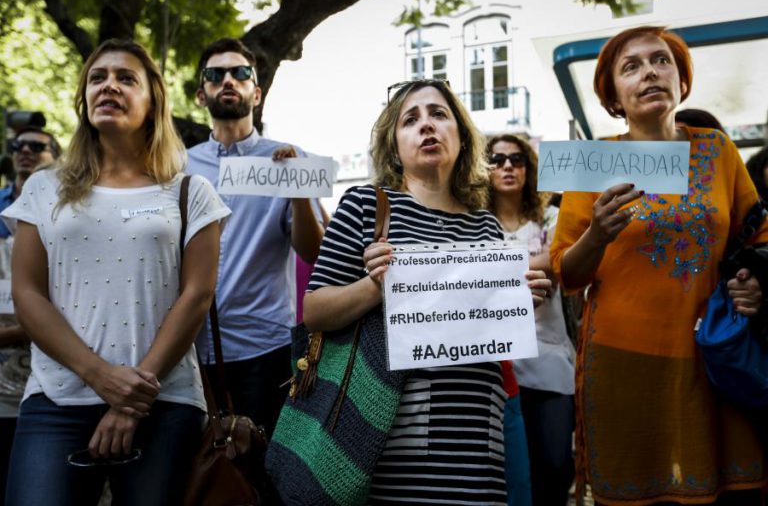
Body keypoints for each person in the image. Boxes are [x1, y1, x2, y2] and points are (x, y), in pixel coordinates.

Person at [2, 39, 230, 506]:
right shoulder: (45, 188)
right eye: (98, 78)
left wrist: (132, 396)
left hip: (165, 403)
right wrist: (101, 376)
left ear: (153, 102)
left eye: (127, 78)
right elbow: (27, 293)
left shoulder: (190, 190)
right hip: (56, 401)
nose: (109, 86)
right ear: (84, 100)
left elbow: (197, 296)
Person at [303, 79, 551, 505]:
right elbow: (314, 310)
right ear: (393, 144)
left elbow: (485, 325)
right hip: (391, 429)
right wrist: (376, 286)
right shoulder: (366, 206)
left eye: (439, 114)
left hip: (476, 429)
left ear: (461, 135)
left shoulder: (486, 226)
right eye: (411, 119)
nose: (427, 126)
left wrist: (520, 301)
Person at [550, 26, 768, 505]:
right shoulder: (593, 160)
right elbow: (565, 273)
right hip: (625, 363)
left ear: (681, 78)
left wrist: (753, 285)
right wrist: (597, 235)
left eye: (661, 60)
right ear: (613, 95)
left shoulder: (717, 149)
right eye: (632, 66)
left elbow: (758, 239)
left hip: (715, 359)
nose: (650, 71)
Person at [187, 37, 323, 438]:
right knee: (203, 474)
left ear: (256, 92)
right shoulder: (178, 165)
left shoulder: (289, 158)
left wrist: (298, 195)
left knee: (264, 471)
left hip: (268, 348)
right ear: (201, 94)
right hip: (193, 348)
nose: (228, 80)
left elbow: (313, 251)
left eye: (240, 73)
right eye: (215, 74)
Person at [487, 133, 575, 506]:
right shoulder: (474, 221)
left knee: (555, 464)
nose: (508, 166)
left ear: (529, 167)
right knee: (510, 476)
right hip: (495, 365)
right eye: (498, 159)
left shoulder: (553, 217)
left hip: (549, 357)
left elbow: (560, 262)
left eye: (517, 159)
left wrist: (491, 271)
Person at [0, 127, 61, 500]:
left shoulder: (66, 213)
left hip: (46, 373)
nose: (26, 152)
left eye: (37, 147)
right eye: (18, 146)